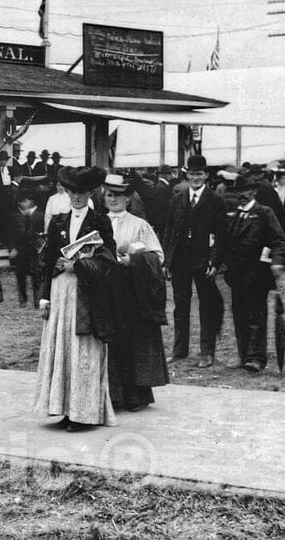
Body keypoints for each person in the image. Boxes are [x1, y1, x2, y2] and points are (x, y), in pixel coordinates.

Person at [34, 166, 119, 430]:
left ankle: (82, 412)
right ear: (66, 192)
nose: (76, 197)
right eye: (72, 191)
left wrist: (80, 266)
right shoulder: (58, 221)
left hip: (87, 294)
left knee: (82, 349)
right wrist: (44, 296)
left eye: (81, 192)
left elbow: (109, 262)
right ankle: (62, 408)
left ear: (90, 192)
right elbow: (46, 262)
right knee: (61, 347)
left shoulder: (100, 221)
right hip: (61, 292)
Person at [102, 174, 169, 412]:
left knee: (131, 341)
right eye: (109, 195)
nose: (113, 200)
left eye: (118, 195)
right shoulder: (97, 222)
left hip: (132, 291)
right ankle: (111, 395)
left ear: (128, 198)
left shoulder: (139, 225)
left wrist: (133, 260)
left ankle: (133, 395)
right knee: (109, 343)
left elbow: (157, 256)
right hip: (105, 290)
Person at [211, 174, 285, 373]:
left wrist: (277, 262)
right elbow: (222, 244)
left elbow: (280, 242)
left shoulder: (264, 213)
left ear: (254, 191)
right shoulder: (234, 216)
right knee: (239, 316)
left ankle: (257, 359)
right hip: (236, 277)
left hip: (257, 276)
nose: (241, 195)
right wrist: (215, 264)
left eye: (245, 191)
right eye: (238, 192)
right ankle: (244, 355)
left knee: (256, 318)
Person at [162, 154, 228, 368]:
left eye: (199, 174)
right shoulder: (178, 198)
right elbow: (169, 229)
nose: (196, 178)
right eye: (192, 174)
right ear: (187, 175)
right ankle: (179, 350)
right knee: (180, 305)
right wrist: (166, 261)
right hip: (181, 259)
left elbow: (221, 235)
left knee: (206, 305)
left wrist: (215, 262)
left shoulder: (215, 200)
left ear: (206, 175)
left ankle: (207, 353)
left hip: (203, 260)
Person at [9, 191, 45, 308]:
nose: (22, 204)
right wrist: (13, 248)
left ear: (31, 201)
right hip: (21, 251)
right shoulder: (17, 216)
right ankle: (22, 300)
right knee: (20, 276)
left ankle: (37, 300)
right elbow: (12, 234)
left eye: (25, 201)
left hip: (35, 251)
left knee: (37, 276)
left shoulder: (41, 215)